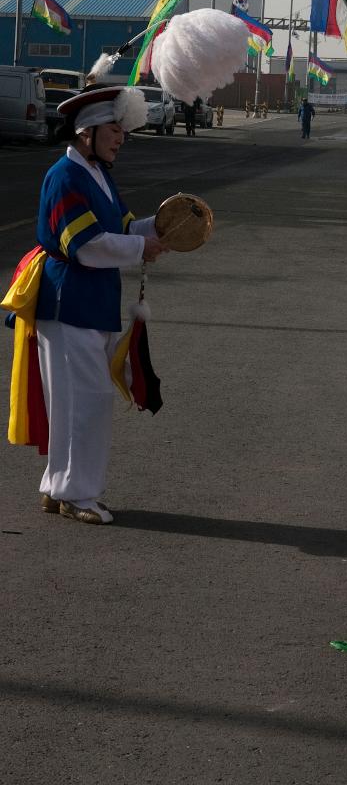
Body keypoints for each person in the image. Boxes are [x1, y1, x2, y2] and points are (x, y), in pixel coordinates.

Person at [3, 84, 169, 524]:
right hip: (68, 302)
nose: (120, 138)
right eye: (114, 129)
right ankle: (76, 495)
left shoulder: (95, 172)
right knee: (85, 401)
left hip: (87, 303)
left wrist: (166, 226)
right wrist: (141, 249)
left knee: (76, 401)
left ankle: (59, 487)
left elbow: (126, 224)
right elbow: (86, 245)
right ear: (85, 132)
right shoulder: (65, 176)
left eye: (122, 131)